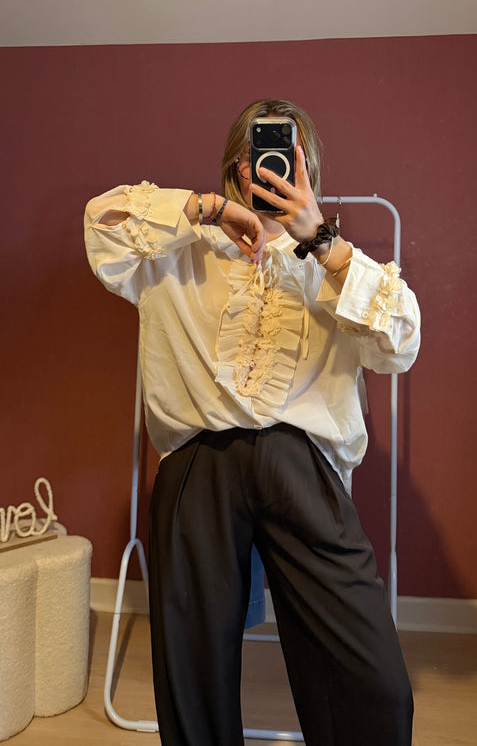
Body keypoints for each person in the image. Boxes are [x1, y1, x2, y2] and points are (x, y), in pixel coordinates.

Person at [84, 98, 421, 746]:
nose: (262, 167)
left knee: (372, 681)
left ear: (307, 166)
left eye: (283, 154)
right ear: (233, 166)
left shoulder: (333, 261)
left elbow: (401, 341)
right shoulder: (178, 248)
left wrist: (320, 239)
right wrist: (207, 210)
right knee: (192, 665)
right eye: (252, 153)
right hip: (198, 461)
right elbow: (101, 223)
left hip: (303, 466)